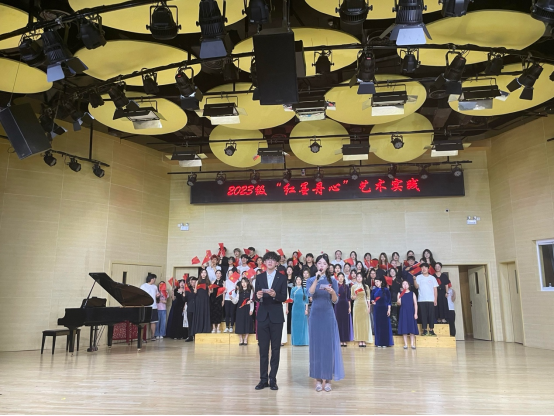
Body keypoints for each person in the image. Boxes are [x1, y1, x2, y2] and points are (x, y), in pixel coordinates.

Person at [306, 254, 344, 392]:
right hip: (315, 315)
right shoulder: (311, 280)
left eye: (324, 263)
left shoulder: (332, 280)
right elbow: (309, 294)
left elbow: (335, 300)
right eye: (319, 263)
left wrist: (332, 291)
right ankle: (317, 379)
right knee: (316, 347)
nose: (322, 265)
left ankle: (328, 380)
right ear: (316, 265)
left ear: (327, 266)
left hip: (328, 314)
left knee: (328, 347)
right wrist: (316, 279)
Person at [254, 251, 288, 391]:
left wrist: (275, 295)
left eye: (273, 260)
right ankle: (263, 380)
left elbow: (284, 297)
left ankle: (273, 379)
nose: (270, 261)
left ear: (277, 263)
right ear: (264, 262)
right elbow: (255, 296)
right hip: (262, 316)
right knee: (263, 350)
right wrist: (257, 296)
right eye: (267, 259)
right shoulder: (259, 277)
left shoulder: (282, 277)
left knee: (275, 349)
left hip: (276, 317)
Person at [414, 263, 438, 336]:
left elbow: (435, 289)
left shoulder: (432, 278)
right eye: (422, 267)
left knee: (431, 315)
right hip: (421, 299)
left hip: (431, 299)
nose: (424, 269)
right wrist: (414, 279)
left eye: (425, 267)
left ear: (428, 269)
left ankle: (431, 330)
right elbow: (416, 287)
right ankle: (424, 330)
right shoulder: (418, 277)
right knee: (423, 315)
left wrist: (435, 299)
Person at [351, 271, 372, 347]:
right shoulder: (353, 287)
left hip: (364, 305)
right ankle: (359, 340)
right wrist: (355, 295)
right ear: (356, 278)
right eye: (358, 277)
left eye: (360, 277)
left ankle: (364, 339)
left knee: (364, 323)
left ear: (362, 278)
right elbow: (352, 297)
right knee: (358, 323)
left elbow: (368, 298)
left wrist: (369, 307)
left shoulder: (366, 286)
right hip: (356, 305)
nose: (359, 278)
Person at [371, 277, 393, 348]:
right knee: (378, 326)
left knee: (385, 326)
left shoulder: (386, 290)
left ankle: (385, 342)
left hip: (384, 309)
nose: (376, 283)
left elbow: (389, 301)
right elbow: (372, 299)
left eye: (378, 281)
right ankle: (379, 343)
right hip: (377, 309)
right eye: (375, 282)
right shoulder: (374, 290)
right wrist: (373, 302)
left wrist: (389, 310)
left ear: (381, 282)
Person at [396, 280, 418, 349]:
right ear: (402, 285)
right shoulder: (399, 293)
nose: (405, 285)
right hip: (403, 312)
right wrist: (398, 300)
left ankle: (412, 344)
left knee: (412, 328)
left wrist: (416, 313)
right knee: (404, 327)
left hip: (411, 312)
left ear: (408, 285)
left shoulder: (412, 293)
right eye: (403, 284)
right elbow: (399, 304)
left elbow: (415, 304)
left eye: (406, 284)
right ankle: (405, 344)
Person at [191, 268, 212, 339]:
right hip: (198, 299)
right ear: (200, 274)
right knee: (199, 313)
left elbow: (210, 292)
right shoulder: (198, 281)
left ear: (206, 274)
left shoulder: (208, 282)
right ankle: (198, 328)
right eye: (202, 272)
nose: (203, 274)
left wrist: (210, 290)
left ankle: (205, 328)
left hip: (205, 299)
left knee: (205, 313)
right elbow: (195, 291)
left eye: (205, 272)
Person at [233, 277, 254, 345]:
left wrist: (251, 309)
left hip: (247, 308)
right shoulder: (239, 291)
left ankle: (245, 339)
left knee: (247, 322)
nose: (243, 284)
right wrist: (232, 298)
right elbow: (236, 300)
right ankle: (241, 339)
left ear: (247, 283)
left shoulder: (250, 290)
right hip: (240, 308)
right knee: (240, 323)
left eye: (245, 282)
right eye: (242, 282)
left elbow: (252, 301)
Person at [334, 272, 352, 347]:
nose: (341, 278)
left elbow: (348, 298)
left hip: (345, 305)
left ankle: (345, 340)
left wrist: (349, 307)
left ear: (344, 278)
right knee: (338, 322)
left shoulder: (346, 287)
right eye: (339, 277)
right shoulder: (335, 286)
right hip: (337, 305)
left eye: (342, 276)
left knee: (345, 323)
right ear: (337, 278)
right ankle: (340, 340)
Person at [140, 273, 159, 341]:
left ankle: (153, 336)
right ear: (151, 279)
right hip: (146, 306)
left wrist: (157, 295)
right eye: (154, 278)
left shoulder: (155, 287)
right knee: (144, 322)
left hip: (154, 306)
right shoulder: (143, 286)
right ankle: (142, 337)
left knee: (153, 322)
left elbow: (156, 295)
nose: (155, 280)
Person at [291, 276, 309, 346]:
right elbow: (291, 299)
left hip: (302, 308)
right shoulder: (293, 289)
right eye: (297, 279)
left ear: (301, 281)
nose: (298, 281)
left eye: (299, 279)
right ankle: (296, 342)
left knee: (302, 324)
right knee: (295, 325)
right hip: (295, 309)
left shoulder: (304, 289)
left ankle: (303, 341)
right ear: (295, 281)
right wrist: (285, 301)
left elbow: (306, 300)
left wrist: (306, 309)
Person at [224, 267, 238, 333]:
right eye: (229, 273)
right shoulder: (226, 281)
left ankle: (231, 326)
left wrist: (236, 287)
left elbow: (237, 290)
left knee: (232, 313)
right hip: (227, 298)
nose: (230, 274)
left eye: (231, 273)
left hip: (233, 299)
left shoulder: (236, 281)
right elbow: (224, 290)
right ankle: (227, 327)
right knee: (227, 313)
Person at [184, 277, 198, 342]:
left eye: (195, 282)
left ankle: (196, 335)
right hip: (190, 308)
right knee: (190, 322)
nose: (193, 283)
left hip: (197, 308)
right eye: (192, 282)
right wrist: (183, 296)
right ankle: (190, 336)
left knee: (196, 322)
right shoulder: (187, 290)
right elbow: (185, 300)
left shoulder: (198, 289)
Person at [286, 266, 295, 334]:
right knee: (287, 313)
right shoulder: (284, 279)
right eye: (288, 269)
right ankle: (287, 329)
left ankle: (291, 329)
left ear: (292, 271)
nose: (289, 271)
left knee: (292, 313)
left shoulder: (294, 280)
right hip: (286, 299)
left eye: (290, 269)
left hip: (292, 299)